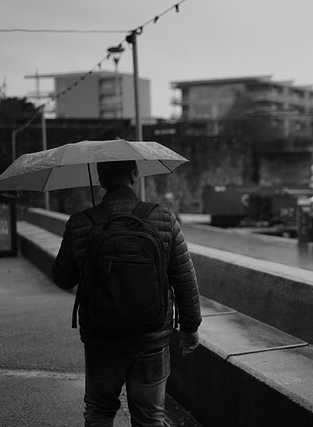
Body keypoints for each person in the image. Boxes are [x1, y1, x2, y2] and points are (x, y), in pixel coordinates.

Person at [52, 160, 202, 426]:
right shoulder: (163, 217)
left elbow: (63, 279)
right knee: (150, 416)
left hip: (102, 339)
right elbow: (184, 279)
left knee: (99, 411)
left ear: (100, 181)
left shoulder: (80, 222)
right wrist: (190, 328)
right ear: (134, 175)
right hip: (152, 340)